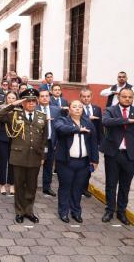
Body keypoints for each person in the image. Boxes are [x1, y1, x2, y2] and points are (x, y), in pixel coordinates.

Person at [0, 88, 48, 224]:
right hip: (19, 156)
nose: (31, 104)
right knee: (19, 185)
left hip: (35, 156)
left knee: (31, 185)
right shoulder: (14, 114)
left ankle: (29, 211)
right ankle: (19, 211)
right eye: (27, 101)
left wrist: (42, 156)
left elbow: (43, 138)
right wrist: (13, 104)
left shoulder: (42, 117)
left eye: (33, 101)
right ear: (23, 102)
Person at [54, 100, 99, 223]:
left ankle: (76, 212)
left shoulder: (88, 123)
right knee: (65, 187)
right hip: (66, 162)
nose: (78, 109)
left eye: (80, 107)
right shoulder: (62, 120)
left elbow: (94, 143)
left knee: (78, 188)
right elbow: (61, 129)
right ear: (69, 109)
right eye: (74, 107)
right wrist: (78, 130)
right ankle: (63, 212)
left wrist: (95, 160)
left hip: (83, 162)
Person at [100, 88, 134, 225]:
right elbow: (106, 122)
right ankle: (109, 210)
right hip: (113, 154)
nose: (127, 99)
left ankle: (121, 212)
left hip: (130, 155)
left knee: (125, 186)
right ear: (119, 97)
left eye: (130, 97)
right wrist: (127, 120)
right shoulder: (111, 110)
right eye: (124, 96)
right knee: (111, 184)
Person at [36, 89, 63, 197]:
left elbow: (59, 126)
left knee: (49, 165)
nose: (44, 98)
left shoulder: (56, 110)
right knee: (36, 165)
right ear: (38, 98)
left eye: (46, 96)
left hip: (51, 141)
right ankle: (32, 186)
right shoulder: (35, 109)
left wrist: (58, 142)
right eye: (42, 96)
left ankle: (47, 187)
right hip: (38, 142)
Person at [79, 88, 103, 197]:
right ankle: (77, 187)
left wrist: (100, 141)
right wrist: (88, 118)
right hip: (80, 140)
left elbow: (100, 127)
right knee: (80, 166)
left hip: (92, 142)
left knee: (90, 166)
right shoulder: (77, 108)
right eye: (84, 96)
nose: (86, 98)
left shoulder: (97, 109)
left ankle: (84, 188)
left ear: (91, 97)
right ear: (80, 97)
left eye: (88, 96)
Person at [0, 91, 17, 195]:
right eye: (9, 98)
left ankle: (12, 185)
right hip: (2, 139)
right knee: (3, 163)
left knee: (12, 163)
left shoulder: (19, 110)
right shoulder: (0, 108)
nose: (11, 100)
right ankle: (2, 185)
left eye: (13, 98)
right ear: (6, 99)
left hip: (15, 139)